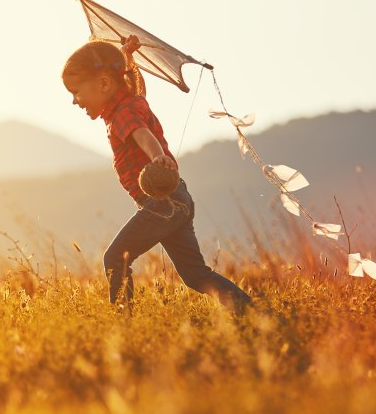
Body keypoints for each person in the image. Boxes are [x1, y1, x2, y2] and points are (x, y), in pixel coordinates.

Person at [62, 35, 251, 314]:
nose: (75, 101)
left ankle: (122, 320)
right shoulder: (132, 102)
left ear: (103, 84)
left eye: (76, 91)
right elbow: (135, 86)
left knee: (116, 258)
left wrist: (157, 156)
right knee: (196, 274)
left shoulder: (122, 114)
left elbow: (143, 135)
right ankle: (251, 312)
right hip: (177, 201)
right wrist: (127, 57)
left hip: (164, 204)